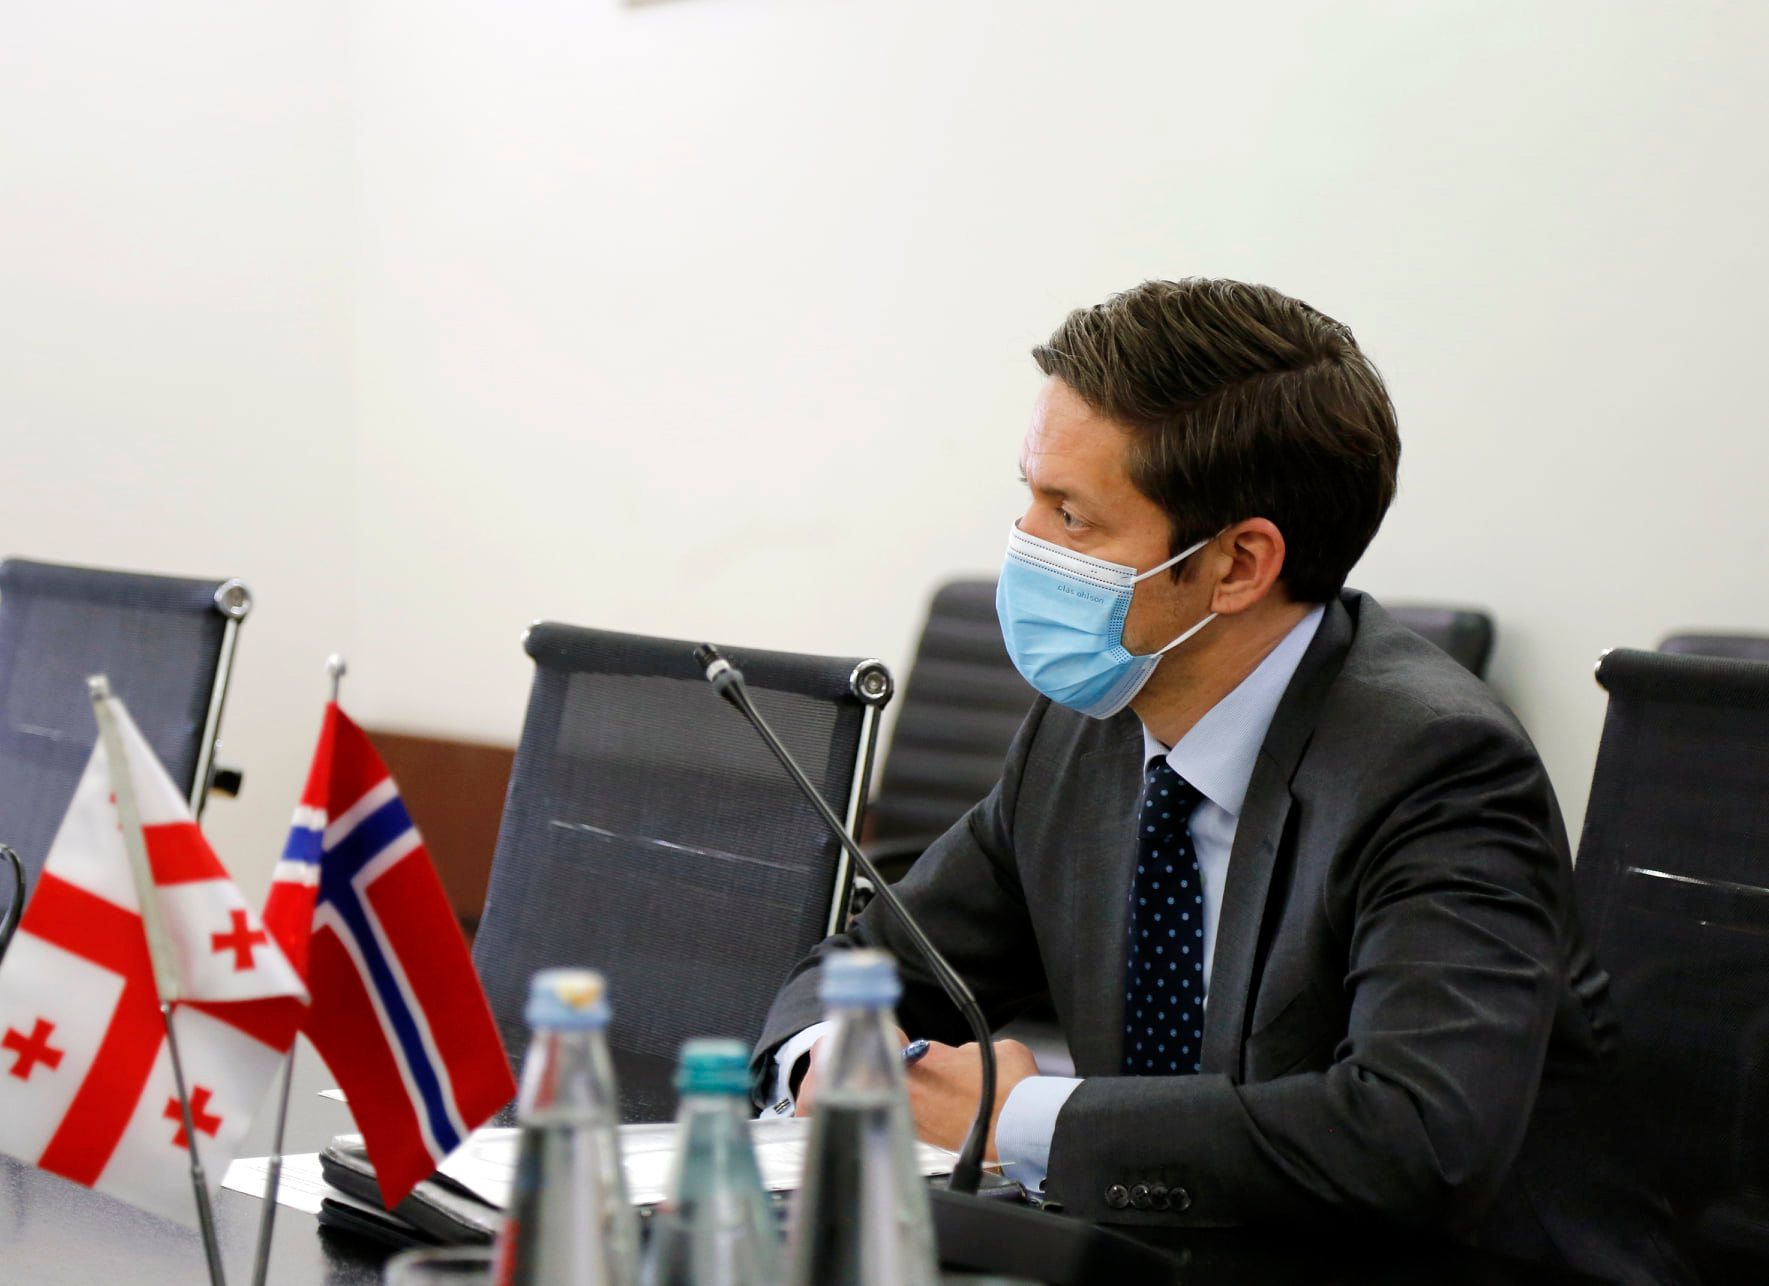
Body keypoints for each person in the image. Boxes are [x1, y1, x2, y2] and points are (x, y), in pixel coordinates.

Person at [752, 278, 1688, 1281]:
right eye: (1027, 496)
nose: (1024, 545)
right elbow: (871, 966)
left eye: (1070, 516)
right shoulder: (1087, 725)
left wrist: (1016, 1116)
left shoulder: (1438, 768)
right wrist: (833, 1059)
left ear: (1239, 564)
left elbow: (1415, 1135)